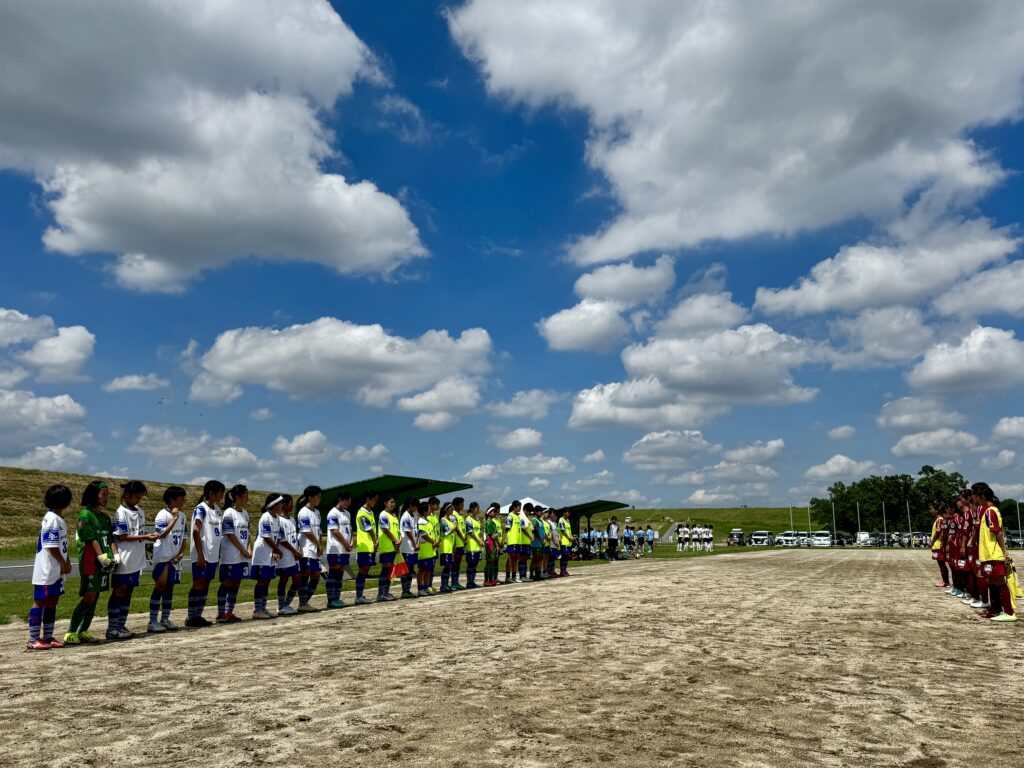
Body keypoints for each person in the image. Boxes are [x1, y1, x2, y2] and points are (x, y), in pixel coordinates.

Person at [65, 480, 117, 644]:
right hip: (90, 560)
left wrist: (116, 557)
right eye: (104, 494)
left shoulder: (104, 517)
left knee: (95, 596)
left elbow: (110, 538)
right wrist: (102, 558)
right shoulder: (85, 515)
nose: (106, 498)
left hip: (104, 561)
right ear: (94, 495)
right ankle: (71, 632)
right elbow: (90, 538)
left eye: (107, 495)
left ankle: (83, 631)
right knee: (88, 596)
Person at [28, 484, 74, 650]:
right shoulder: (52, 519)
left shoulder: (58, 518)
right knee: (40, 601)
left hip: (57, 568)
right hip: (47, 568)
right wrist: (62, 562)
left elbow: (61, 544)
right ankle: (33, 639)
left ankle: (47, 636)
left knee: (53, 601)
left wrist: (66, 560)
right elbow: (50, 545)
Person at [108, 480, 156, 639]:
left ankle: (121, 625)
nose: (138, 500)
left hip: (137, 558)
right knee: (119, 591)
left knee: (128, 592)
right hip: (124, 558)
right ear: (126, 495)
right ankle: (112, 628)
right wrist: (146, 537)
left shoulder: (140, 512)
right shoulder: (121, 513)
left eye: (141, 497)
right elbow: (122, 536)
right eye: (137, 497)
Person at [974, 483, 1016, 622]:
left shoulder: (991, 511)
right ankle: (995, 610)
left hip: (993, 554)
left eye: (977, 496)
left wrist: (1004, 552)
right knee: (991, 581)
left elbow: (998, 533)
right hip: (987, 554)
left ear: (983, 497)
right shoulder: (987, 511)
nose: (975, 499)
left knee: (999, 581)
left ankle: (1009, 613)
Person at [186, 480, 226, 628]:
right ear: (211, 493)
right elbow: (196, 530)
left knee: (206, 584)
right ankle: (191, 617)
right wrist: (200, 554)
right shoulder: (201, 509)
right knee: (198, 583)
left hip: (213, 554)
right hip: (202, 554)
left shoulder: (217, 510)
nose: (222, 495)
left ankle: (198, 615)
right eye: (220, 492)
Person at [148, 486, 187, 633]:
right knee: (160, 587)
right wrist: (174, 518)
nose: (184, 501)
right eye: (181, 498)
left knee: (170, 588)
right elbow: (161, 535)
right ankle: (152, 621)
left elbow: (183, 536)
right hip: (163, 557)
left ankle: (165, 619)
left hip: (174, 558)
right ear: (172, 499)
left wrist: (181, 552)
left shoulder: (182, 516)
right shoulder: (162, 515)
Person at [218, 484, 250, 624]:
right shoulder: (228, 513)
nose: (247, 499)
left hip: (242, 554)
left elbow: (248, 534)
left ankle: (229, 611)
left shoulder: (245, 513)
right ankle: (221, 613)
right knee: (227, 582)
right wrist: (241, 549)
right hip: (231, 553)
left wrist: (249, 547)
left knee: (236, 582)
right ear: (238, 497)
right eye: (245, 496)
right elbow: (229, 534)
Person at [250, 494, 285, 619]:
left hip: (270, 552)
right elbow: (266, 537)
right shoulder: (265, 517)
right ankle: (257, 610)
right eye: (280, 503)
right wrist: (276, 549)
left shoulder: (278, 519)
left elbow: (278, 537)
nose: (282, 505)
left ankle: (263, 608)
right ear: (273, 505)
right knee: (262, 580)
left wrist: (276, 550)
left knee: (268, 580)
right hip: (262, 553)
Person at [296, 485, 324, 612]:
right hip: (306, 548)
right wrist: (317, 544)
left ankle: (305, 601)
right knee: (305, 573)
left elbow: (318, 531)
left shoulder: (317, 513)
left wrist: (320, 544)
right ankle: (302, 603)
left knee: (316, 576)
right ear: (310, 497)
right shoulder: (303, 512)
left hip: (315, 548)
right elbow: (307, 532)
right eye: (318, 497)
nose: (319, 499)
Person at [275, 495, 303, 615]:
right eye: (290, 503)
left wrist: (298, 549)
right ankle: (281, 606)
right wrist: (294, 551)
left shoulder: (292, 520)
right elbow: (282, 540)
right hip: (285, 554)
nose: (292, 506)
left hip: (294, 554)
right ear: (284, 505)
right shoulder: (278, 520)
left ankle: (286, 604)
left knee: (297, 578)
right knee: (284, 579)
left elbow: (295, 537)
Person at [324, 492, 353, 608]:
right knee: (334, 570)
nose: (348, 504)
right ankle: (331, 600)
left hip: (345, 548)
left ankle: (337, 597)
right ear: (340, 500)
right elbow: (334, 531)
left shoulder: (347, 513)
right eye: (347, 501)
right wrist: (345, 543)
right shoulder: (332, 513)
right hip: (336, 548)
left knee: (341, 571)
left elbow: (349, 529)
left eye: (349, 501)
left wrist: (351, 542)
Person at [354, 492, 379, 605]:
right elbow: (369, 529)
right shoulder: (362, 513)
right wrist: (375, 540)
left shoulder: (371, 512)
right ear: (368, 499)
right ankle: (358, 596)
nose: (375, 502)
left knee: (366, 570)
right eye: (374, 500)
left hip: (370, 546)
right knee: (363, 570)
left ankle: (360, 594)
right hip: (364, 545)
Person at [376, 494, 400, 602]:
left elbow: (397, 531)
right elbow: (385, 529)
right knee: (385, 570)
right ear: (385, 503)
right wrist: (395, 540)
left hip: (394, 547)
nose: (393, 504)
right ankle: (381, 594)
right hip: (386, 547)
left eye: (394, 502)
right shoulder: (383, 514)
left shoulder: (394, 516)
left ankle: (386, 592)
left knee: (390, 571)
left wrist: (399, 541)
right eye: (391, 502)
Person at [398, 498, 419, 598]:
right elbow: (408, 532)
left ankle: (408, 589)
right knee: (406, 569)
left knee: (411, 568)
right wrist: (415, 543)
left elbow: (417, 531)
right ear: (410, 505)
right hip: (407, 546)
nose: (416, 508)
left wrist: (417, 542)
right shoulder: (405, 516)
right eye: (415, 506)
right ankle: (404, 590)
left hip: (413, 546)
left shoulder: (414, 515)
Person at [417, 500, 438, 596]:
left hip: (430, 550)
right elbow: (423, 535)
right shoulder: (421, 521)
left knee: (428, 569)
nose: (431, 510)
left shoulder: (428, 521)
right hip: (424, 550)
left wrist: (436, 542)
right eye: (429, 508)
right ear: (425, 511)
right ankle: (420, 588)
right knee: (422, 569)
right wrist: (433, 541)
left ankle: (426, 587)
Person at [930, 502, 949, 588]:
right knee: (941, 564)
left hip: (939, 545)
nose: (930, 511)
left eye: (931, 509)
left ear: (937, 510)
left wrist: (932, 542)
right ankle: (945, 581)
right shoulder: (938, 520)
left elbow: (938, 532)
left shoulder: (939, 520)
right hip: (937, 545)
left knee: (942, 564)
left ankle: (946, 582)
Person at [464, 502, 484, 588]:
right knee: (471, 564)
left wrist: (481, 540)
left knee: (475, 564)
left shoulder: (477, 519)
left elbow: (478, 532)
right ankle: (469, 582)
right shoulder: (468, 519)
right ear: (472, 509)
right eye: (477, 508)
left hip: (478, 546)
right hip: (471, 546)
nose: (478, 510)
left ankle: (472, 581)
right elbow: (470, 533)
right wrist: (478, 541)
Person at [439, 502, 456, 593]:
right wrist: (454, 528)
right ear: (446, 510)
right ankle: (443, 585)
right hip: (445, 547)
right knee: (446, 567)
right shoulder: (443, 520)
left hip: (450, 546)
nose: (452, 511)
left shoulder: (450, 520)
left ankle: (446, 584)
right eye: (451, 509)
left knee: (449, 566)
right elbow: (446, 532)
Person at [504, 500, 523, 584]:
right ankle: (508, 577)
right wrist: (506, 538)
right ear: (514, 507)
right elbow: (507, 528)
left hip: (518, 541)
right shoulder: (510, 516)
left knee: (516, 559)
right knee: (511, 558)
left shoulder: (519, 516)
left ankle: (514, 576)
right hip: (512, 540)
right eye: (519, 507)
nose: (520, 508)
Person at [451, 497, 467, 590]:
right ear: (456, 505)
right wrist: (462, 538)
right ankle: (453, 582)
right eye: (461, 504)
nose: (462, 506)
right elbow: (456, 529)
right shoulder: (453, 515)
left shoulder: (460, 515)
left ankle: (456, 581)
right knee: (455, 563)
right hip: (456, 542)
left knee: (458, 563)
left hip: (461, 543)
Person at [483, 503, 501, 587]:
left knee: (493, 561)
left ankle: (491, 579)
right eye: (493, 511)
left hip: (493, 543)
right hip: (489, 543)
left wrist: (497, 545)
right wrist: (496, 535)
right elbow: (492, 535)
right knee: (489, 561)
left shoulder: (493, 522)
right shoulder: (488, 523)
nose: (495, 513)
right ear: (489, 513)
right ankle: (487, 580)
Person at [558, 508, 573, 577]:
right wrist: (568, 537)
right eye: (568, 512)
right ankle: (562, 571)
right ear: (564, 513)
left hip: (568, 542)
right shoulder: (561, 520)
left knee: (566, 556)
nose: (569, 514)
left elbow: (569, 531)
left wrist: (571, 537)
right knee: (564, 556)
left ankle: (564, 570)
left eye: (569, 512)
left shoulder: (568, 520)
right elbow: (563, 530)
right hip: (564, 541)